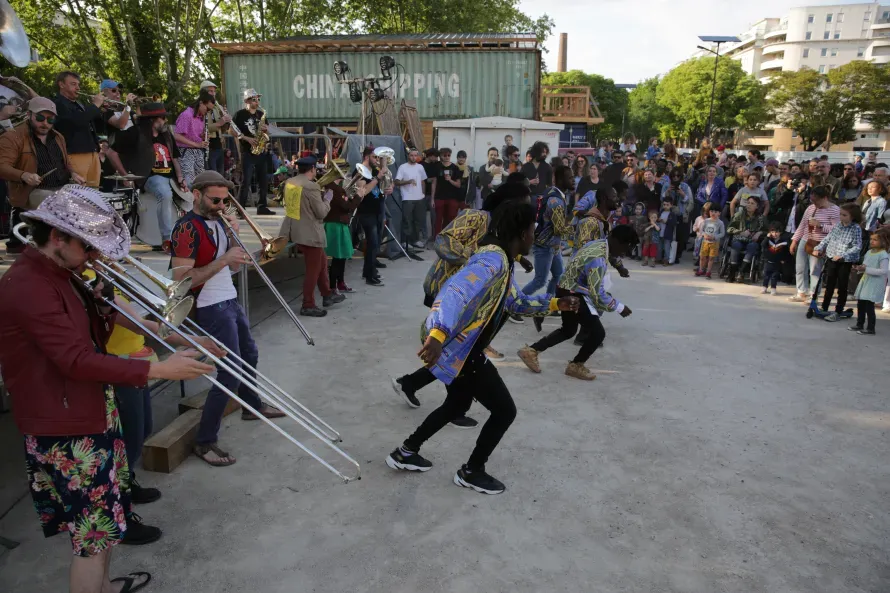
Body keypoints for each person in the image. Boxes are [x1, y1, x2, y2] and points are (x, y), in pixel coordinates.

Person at [0, 185, 213, 593]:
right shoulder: (30, 285)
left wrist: (100, 309)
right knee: (92, 540)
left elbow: (85, 341)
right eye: (89, 247)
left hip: (88, 410)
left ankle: (104, 587)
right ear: (58, 237)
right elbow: (74, 360)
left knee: (106, 522)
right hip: (66, 426)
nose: (95, 258)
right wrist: (159, 369)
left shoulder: (63, 273)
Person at [385, 199, 580, 495]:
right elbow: (455, 290)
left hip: (463, 350)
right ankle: (471, 470)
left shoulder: (503, 259)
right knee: (504, 411)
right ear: (522, 232)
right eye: (532, 228)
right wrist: (437, 334)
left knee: (456, 404)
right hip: (464, 352)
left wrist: (555, 304)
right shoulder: (492, 260)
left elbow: (515, 302)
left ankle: (405, 452)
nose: (534, 234)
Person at [170, 171, 285, 466]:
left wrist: (232, 236)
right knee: (230, 371)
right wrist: (224, 259)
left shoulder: (218, 222)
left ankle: (251, 405)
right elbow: (182, 280)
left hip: (228, 298)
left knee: (250, 353)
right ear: (196, 194)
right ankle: (205, 440)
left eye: (225, 199)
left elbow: (232, 266)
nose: (221, 205)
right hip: (209, 306)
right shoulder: (186, 229)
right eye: (215, 199)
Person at [392, 182, 534, 420]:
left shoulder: (501, 228)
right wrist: (476, 260)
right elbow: (443, 241)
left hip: (472, 297)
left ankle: (414, 385)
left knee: (456, 350)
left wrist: (518, 257)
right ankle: (454, 405)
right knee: (455, 349)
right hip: (449, 292)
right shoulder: (475, 217)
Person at [518, 225, 637, 381]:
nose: (624, 253)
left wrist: (619, 267)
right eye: (625, 248)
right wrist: (619, 307)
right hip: (574, 294)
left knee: (568, 330)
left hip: (566, 288)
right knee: (598, 333)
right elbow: (597, 294)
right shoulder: (598, 259)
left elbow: (609, 259)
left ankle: (531, 351)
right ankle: (576, 365)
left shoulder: (599, 243)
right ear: (616, 241)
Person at [0, 97, 83, 254]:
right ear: (29, 115)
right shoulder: (13, 137)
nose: (45, 123)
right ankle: (56, 248)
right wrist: (23, 175)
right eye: (40, 118)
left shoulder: (58, 137)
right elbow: (2, 166)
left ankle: (76, 247)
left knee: (88, 199)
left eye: (50, 119)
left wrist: (73, 173)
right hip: (31, 191)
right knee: (54, 201)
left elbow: (65, 162)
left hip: (61, 187)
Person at [113, 102, 186, 251]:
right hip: (151, 177)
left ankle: (190, 236)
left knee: (200, 189)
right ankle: (167, 240)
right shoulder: (136, 133)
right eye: (162, 118)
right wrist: (125, 175)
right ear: (152, 120)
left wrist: (181, 178)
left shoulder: (166, 134)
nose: (165, 121)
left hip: (172, 178)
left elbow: (175, 158)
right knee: (165, 194)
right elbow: (111, 152)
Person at [278, 157, 345, 317]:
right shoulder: (311, 186)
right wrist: (327, 199)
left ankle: (327, 294)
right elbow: (321, 212)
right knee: (313, 271)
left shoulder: (290, 182)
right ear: (313, 169)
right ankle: (308, 304)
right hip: (311, 233)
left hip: (296, 229)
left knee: (321, 264)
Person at [522, 164, 573, 299]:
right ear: (562, 180)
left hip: (552, 246)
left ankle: (549, 304)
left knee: (558, 275)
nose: (574, 180)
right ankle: (513, 304)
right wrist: (578, 230)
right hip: (545, 246)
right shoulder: (555, 200)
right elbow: (559, 229)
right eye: (570, 178)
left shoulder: (552, 193)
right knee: (540, 281)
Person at [52, 71, 104, 187]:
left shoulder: (79, 103)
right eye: (73, 84)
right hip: (75, 154)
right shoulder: (58, 103)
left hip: (92, 153)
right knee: (79, 193)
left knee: (94, 194)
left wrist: (99, 110)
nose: (78, 88)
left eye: (78, 84)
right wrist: (95, 106)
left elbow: (98, 127)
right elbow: (77, 121)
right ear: (61, 85)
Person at [789, 186, 840, 302]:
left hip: (820, 242)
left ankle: (813, 294)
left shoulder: (835, 209)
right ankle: (801, 292)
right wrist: (794, 241)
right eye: (812, 200)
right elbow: (802, 225)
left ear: (825, 198)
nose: (814, 203)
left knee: (814, 270)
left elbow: (837, 230)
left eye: (816, 200)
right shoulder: (810, 208)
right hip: (806, 239)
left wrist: (821, 225)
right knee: (800, 267)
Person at [812, 203, 862, 321]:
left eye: (844, 215)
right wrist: (818, 247)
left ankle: (838, 311)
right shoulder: (838, 225)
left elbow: (857, 246)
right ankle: (824, 307)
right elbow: (828, 238)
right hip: (831, 258)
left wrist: (842, 255)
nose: (841, 217)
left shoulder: (856, 228)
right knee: (829, 284)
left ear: (852, 216)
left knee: (842, 286)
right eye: (840, 214)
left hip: (845, 261)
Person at [233, 88, 274, 215]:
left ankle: (262, 207)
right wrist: (246, 138)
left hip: (261, 151)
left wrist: (266, 130)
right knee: (246, 180)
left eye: (258, 99)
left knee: (263, 180)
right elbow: (231, 131)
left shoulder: (261, 115)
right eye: (254, 99)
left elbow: (268, 133)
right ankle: (240, 209)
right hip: (247, 150)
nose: (257, 101)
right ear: (247, 100)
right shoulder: (240, 114)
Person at [322, 166, 361, 295]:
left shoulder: (335, 188)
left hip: (338, 223)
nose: (345, 173)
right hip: (336, 224)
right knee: (338, 257)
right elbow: (347, 207)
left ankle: (340, 283)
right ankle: (334, 286)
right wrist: (358, 197)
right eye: (344, 171)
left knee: (341, 256)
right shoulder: (335, 189)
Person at [354, 147, 386, 286]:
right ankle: (369, 275)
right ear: (367, 157)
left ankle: (369, 271)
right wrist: (377, 178)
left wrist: (387, 190)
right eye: (374, 157)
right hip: (366, 212)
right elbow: (364, 191)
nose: (377, 160)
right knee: (372, 243)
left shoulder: (373, 171)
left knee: (375, 243)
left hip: (377, 210)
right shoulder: (359, 171)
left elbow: (378, 189)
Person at [849, 230, 890, 335]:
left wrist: (866, 270)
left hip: (875, 283)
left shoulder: (883, 255)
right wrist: (859, 268)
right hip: (866, 280)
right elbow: (865, 266)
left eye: (875, 240)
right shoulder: (869, 252)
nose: (872, 241)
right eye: (871, 239)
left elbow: (883, 271)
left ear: (883, 241)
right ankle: (859, 324)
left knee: (869, 306)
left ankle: (871, 328)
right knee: (861, 303)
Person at [173, 89, 215, 188]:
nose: (207, 112)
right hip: (186, 151)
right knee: (189, 182)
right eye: (207, 109)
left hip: (197, 151)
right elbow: (177, 135)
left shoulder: (201, 116)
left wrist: (203, 136)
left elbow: (193, 134)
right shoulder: (187, 115)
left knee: (199, 181)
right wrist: (196, 144)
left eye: (210, 111)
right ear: (201, 103)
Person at [394, 149, 428, 252]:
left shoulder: (420, 167)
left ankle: (415, 240)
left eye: (415, 155)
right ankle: (405, 241)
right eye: (411, 155)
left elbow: (423, 181)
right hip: (407, 197)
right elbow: (396, 182)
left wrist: (423, 194)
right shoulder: (403, 167)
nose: (413, 157)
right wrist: (408, 181)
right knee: (407, 220)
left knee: (417, 221)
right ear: (408, 156)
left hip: (419, 198)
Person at [725, 198, 765, 283]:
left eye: (752, 203)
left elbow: (768, 231)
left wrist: (759, 233)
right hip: (739, 239)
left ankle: (741, 272)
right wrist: (740, 232)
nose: (749, 205)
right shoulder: (739, 214)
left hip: (752, 241)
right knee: (736, 245)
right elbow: (729, 228)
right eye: (748, 203)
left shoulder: (761, 218)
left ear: (757, 206)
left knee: (752, 246)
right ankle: (732, 273)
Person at [200, 80, 232, 175]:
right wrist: (221, 122)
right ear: (203, 92)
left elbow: (222, 129)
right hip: (209, 147)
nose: (213, 94)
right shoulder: (201, 107)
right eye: (211, 91)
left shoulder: (216, 107)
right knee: (212, 176)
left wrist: (226, 121)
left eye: (214, 91)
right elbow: (203, 129)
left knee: (220, 175)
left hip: (219, 146)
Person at [431, 147, 462, 237]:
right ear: (441, 156)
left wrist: (450, 180)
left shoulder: (455, 167)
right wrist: (432, 199)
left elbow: (458, 184)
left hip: (452, 197)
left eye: (449, 155)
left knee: (451, 219)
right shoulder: (437, 167)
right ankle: (437, 238)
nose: (447, 157)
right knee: (438, 220)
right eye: (445, 155)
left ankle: (449, 238)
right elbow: (434, 183)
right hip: (439, 197)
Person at [760, 222, 790, 295]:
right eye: (772, 232)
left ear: (780, 232)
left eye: (777, 232)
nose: (774, 234)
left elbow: (786, 252)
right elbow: (763, 245)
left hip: (777, 262)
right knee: (766, 275)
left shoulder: (784, 242)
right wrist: (767, 237)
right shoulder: (768, 240)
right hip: (768, 261)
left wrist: (784, 259)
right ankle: (764, 287)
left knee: (775, 276)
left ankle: (773, 288)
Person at [696, 206, 725, 278]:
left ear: (719, 213)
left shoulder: (720, 223)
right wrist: (704, 235)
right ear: (709, 212)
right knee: (702, 256)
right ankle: (701, 269)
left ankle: (708, 271)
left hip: (714, 243)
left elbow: (722, 233)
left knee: (711, 257)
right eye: (711, 211)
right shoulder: (706, 221)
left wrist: (714, 237)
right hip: (705, 242)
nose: (713, 213)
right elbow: (701, 230)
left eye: (715, 212)